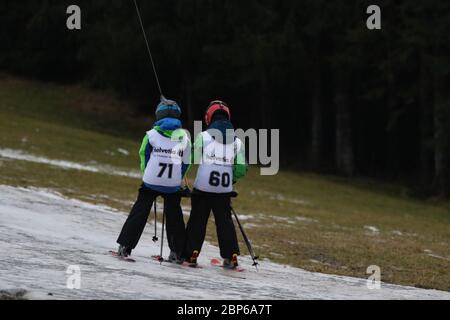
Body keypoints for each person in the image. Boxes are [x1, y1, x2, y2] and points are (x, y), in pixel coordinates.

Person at [116, 98, 191, 263]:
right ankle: (177, 252)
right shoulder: (185, 138)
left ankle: (125, 246)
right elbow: (186, 162)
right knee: (174, 213)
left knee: (140, 210)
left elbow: (144, 155)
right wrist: (177, 178)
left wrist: (147, 174)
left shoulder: (151, 134)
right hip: (172, 183)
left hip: (151, 181)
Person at [183, 100, 247, 269]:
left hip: (203, 187)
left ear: (209, 117)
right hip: (224, 189)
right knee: (224, 222)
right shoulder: (237, 142)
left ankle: (191, 253)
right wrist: (231, 179)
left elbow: (192, 158)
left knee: (197, 220)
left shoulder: (203, 136)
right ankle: (231, 254)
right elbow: (241, 167)